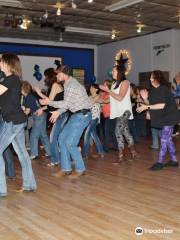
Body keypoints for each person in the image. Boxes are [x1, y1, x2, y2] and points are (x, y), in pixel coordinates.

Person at [40, 65, 92, 178]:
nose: (56, 76)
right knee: (62, 138)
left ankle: (80, 169)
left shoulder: (72, 85)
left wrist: (49, 102)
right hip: (76, 114)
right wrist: (58, 111)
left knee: (70, 143)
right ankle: (66, 168)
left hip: (83, 115)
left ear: (63, 74)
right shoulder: (68, 84)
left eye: (58, 74)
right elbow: (68, 104)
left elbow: (66, 104)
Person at [0, 53, 36, 197]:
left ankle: (1, 189)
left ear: (8, 64)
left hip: (13, 122)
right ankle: (29, 185)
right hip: (17, 121)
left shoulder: (12, 80)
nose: (0, 63)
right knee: (22, 154)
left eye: (1, 61)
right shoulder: (8, 80)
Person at [137, 70, 180, 171]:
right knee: (168, 139)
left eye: (153, 77)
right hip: (163, 118)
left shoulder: (164, 89)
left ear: (158, 78)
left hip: (170, 117)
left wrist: (146, 106)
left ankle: (159, 162)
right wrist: (145, 98)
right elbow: (151, 104)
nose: (151, 79)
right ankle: (174, 161)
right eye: (150, 77)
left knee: (164, 140)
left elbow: (161, 105)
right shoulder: (152, 91)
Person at [100, 65, 138, 164]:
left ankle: (121, 156)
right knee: (125, 132)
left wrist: (107, 90)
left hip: (125, 111)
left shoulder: (125, 83)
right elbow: (111, 98)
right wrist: (97, 101)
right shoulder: (113, 84)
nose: (111, 72)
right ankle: (133, 152)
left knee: (117, 131)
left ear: (119, 72)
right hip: (117, 112)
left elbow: (120, 97)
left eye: (113, 71)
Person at [34, 68, 69, 167]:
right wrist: (42, 109)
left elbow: (50, 101)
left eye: (45, 76)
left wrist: (38, 92)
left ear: (49, 76)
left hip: (60, 114)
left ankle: (56, 160)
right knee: (60, 138)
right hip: (61, 114)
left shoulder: (55, 85)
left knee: (53, 138)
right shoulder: (58, 85)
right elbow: (52, 104)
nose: (44, 78)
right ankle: (63, 159)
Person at [21, 81, 51, 160]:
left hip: (39, 117)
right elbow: (26, 108)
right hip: (40, 116)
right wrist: (23, 108)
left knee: (33, 135)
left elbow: (27, 112)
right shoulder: (27, 97)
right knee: (43, 135)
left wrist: (21, 111)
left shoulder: (28, 97)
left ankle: (34, 154)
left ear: (23, 89)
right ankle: (50, 152)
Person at [82, 84, 104, 158]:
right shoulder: (89, 97)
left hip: (95, 118)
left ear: (96, 89)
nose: (90, 89)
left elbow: (89, 105)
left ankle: (85, 153)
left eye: (92, 88)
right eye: (90, 87)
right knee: (94, 135)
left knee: (86, 134)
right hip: (89, 118)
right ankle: (101, 151)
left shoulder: (97, 96)